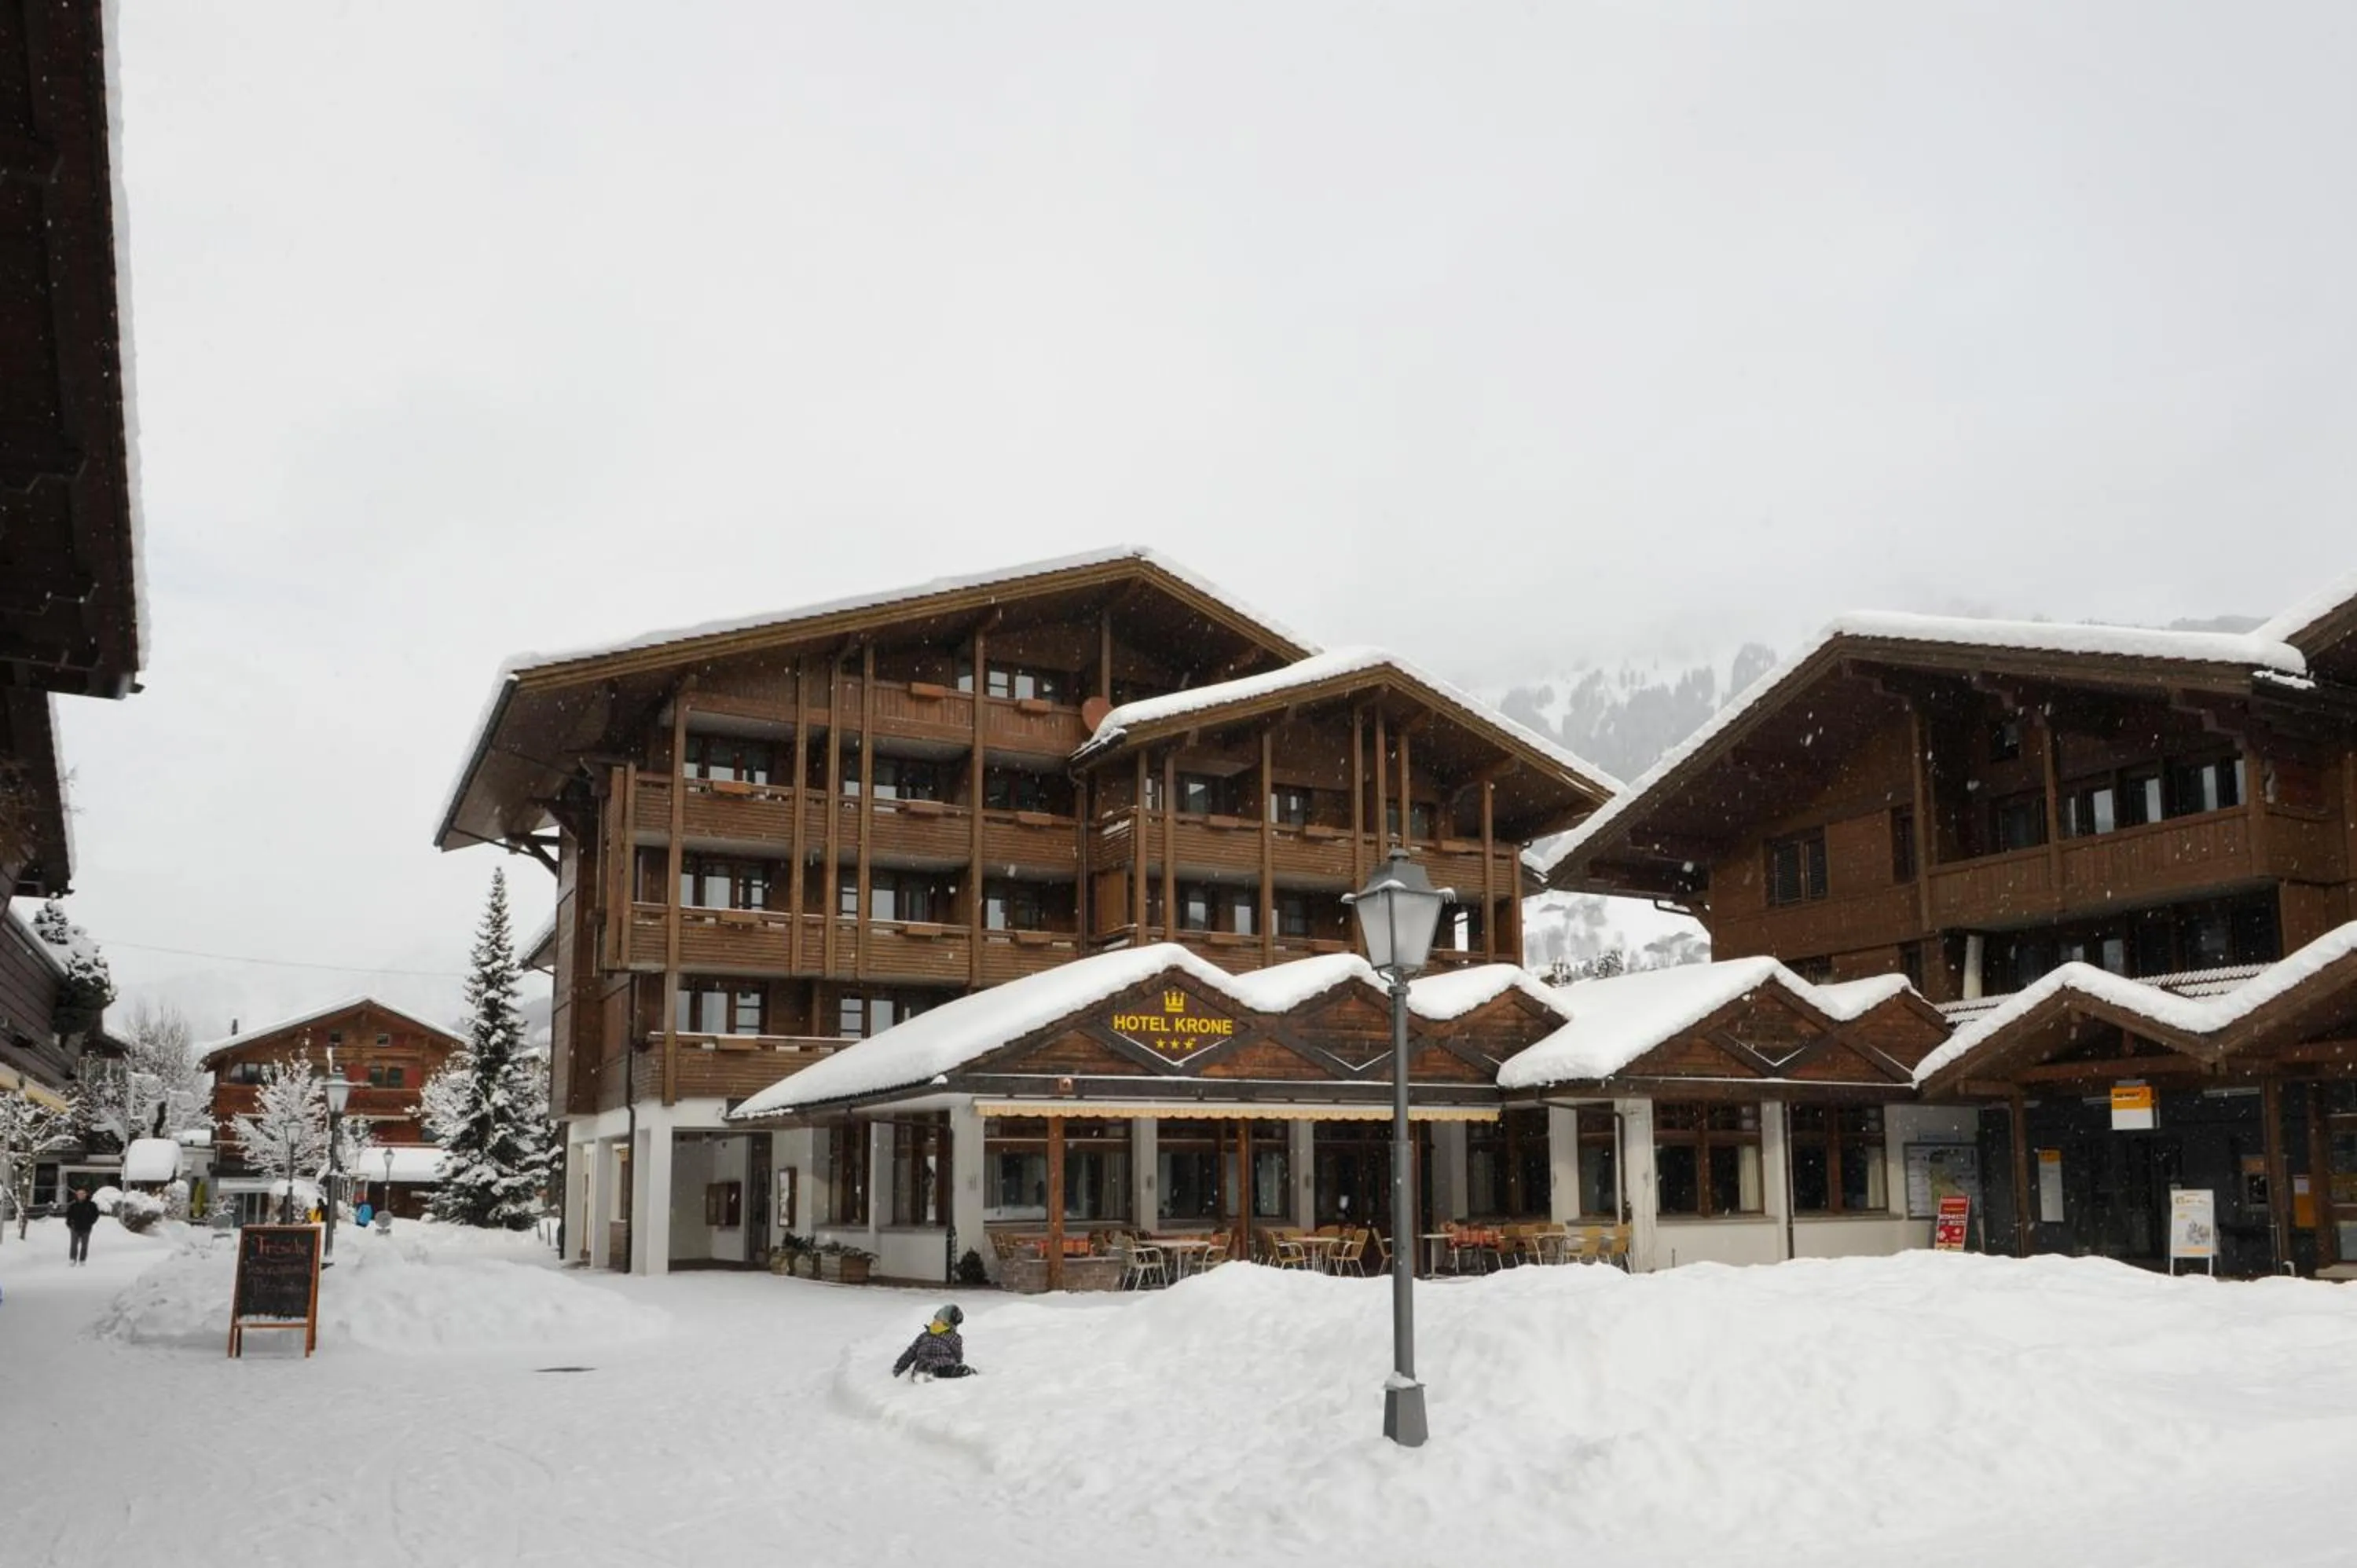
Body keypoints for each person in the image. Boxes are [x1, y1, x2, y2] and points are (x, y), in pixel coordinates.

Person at [890, 1303, 974, 1381]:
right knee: (940, 1369)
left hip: (933, 1365)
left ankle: (925, 1373)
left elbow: (911, 1352)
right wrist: (899, 1367)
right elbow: (957, 1355)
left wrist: (899, 1367)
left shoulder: (925, 1335)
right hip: (935, 1366)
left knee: (938, 1368)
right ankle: (925, 1374)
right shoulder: (952, 1337)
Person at [64, 1187, 98, 1267]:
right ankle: (73, 1259)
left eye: (83, 1194)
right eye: (79, 1194)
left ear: (86, 1195)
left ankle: (82, 1259)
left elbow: (96, 1215)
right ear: (77, 1195)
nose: (81, 1195)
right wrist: (69, 1224)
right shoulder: (73, 1205)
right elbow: (68, 1216)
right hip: (74, 1228)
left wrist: (91, 1222)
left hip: (86, 1228)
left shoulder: (91, 1205)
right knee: (74, 1244)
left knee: (84, 1245)